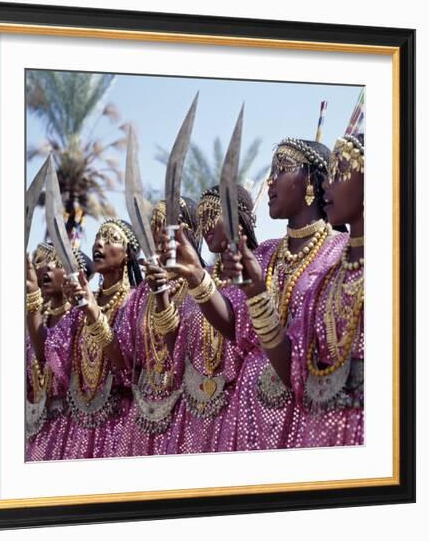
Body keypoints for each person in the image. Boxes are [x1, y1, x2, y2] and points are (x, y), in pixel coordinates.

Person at [221, 138, 348, 450]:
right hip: (247, 411)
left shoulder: (340, 252)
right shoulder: (264, 253)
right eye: (272, 170)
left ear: (311, 182)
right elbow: (233, 324)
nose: (271, 180)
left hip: (303, 410)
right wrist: (198, 279)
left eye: (283, 169)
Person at [28, 219, 141, 460]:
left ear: (127, 256)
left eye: (111, 238)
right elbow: (46, 354)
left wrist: (92, 313)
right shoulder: (81, 305)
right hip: (76, 428)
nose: (99, 242)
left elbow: (125, 369)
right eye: (99, 237)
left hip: (117, 426)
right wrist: (32, 299)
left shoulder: (133, 302)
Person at [158, 185, 259, 454]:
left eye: (213, 213)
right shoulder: (202, 278)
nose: (205, 226)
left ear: (239, 217)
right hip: (193, 412)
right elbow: (178, 353)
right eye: (201, 219)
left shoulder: (264, 264)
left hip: (239, 404)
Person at [286, 133, 365, 447]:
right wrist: (255, 294)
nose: (326, 185)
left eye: (340, 172)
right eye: (327, 174)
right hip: (322, 433)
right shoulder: (324, 282)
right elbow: (294, 369)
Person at [113, 198, 203, 456]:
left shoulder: (201, 285)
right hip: (142, 410)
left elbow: (190, 352)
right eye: (153, 225)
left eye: (164, 225)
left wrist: (162, 293)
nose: (156, 234)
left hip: (186, 407)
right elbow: (124, 358)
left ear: (186, 233)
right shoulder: (141, 294)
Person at [24, 244, 92, 454]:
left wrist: (33, 295)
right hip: (36, 427)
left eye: (59, 263)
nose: (49, 267)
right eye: (48, 262)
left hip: (70, 429)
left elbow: (49, 356)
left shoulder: (79, 320)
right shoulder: (39, 321)